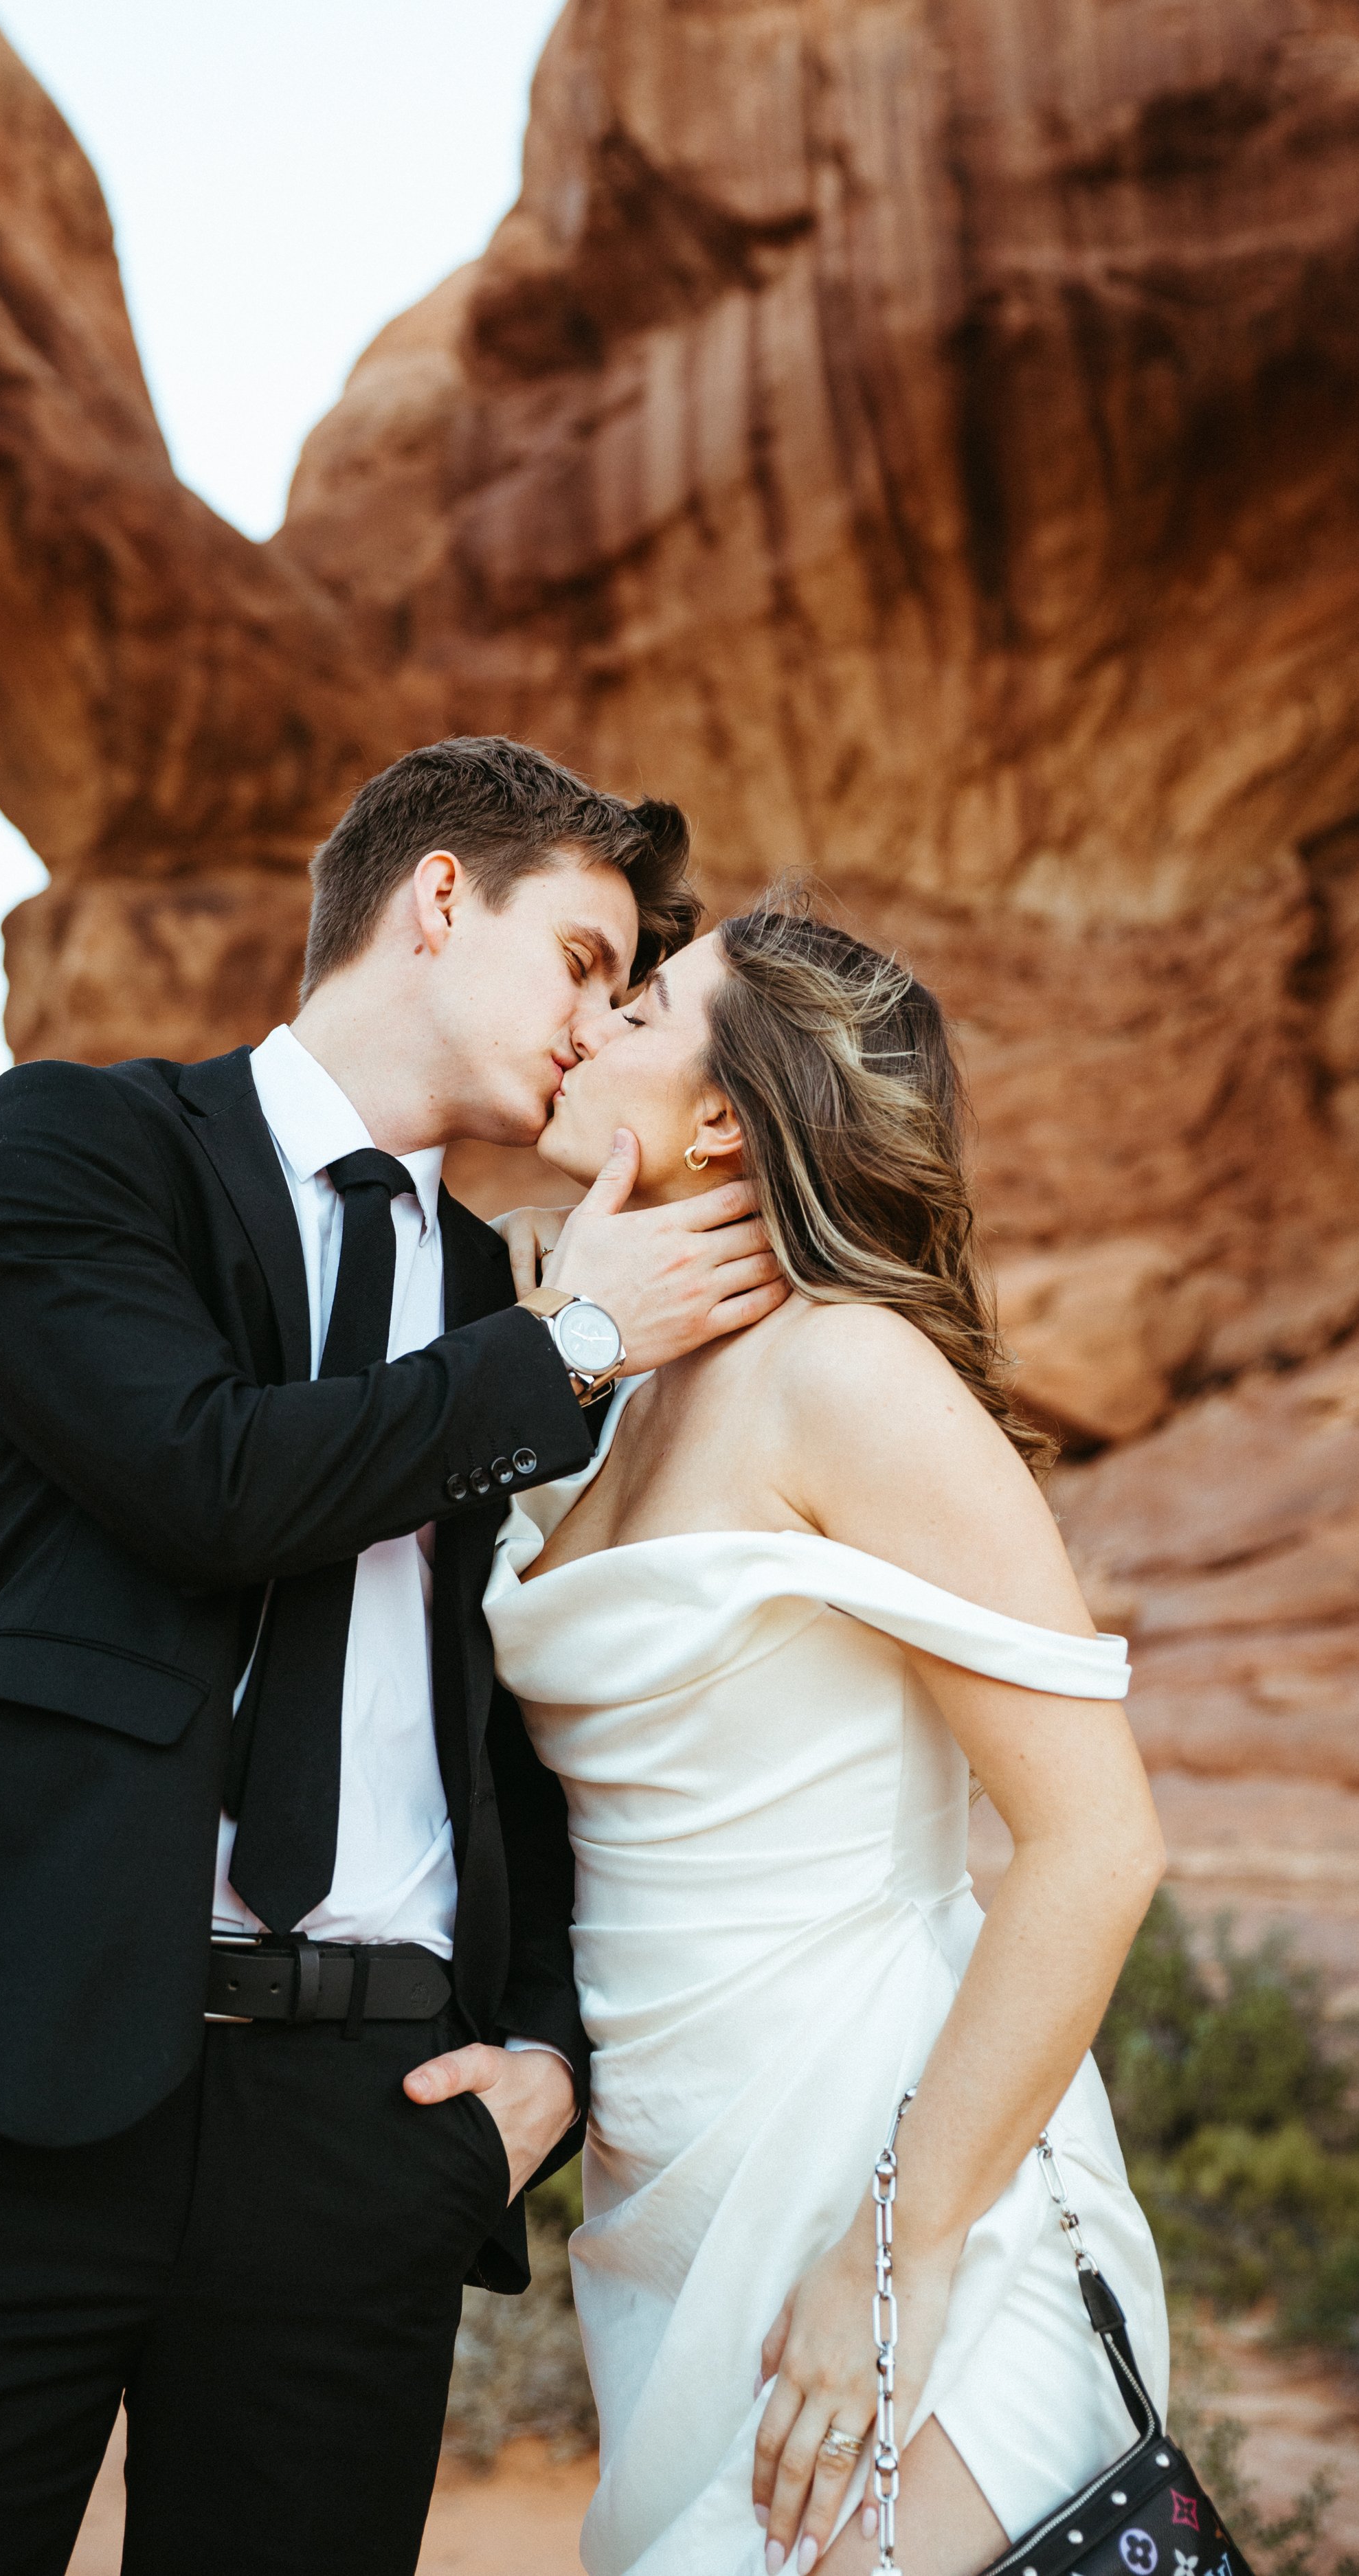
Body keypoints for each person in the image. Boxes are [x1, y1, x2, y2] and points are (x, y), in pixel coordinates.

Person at [0, 736, 787, 2576]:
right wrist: (576, 1340)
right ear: (437, 896)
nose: (594, 1018)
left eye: (629, 992)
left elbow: (525, 1701)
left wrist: (542, 2049)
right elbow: (202, 1478)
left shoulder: (508, 1304)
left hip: (369, 2129)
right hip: (1, 2065)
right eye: (580, 960)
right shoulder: (77, 1145)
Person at [485, 896, 1171, 2576]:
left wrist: (898, 2251)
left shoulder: (846, 1373)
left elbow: (1095, 1846)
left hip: (889, 2171)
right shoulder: (607, 1394)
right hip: (671, 2197)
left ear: (723, 1113)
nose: (589, 1026)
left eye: (638, 1012)